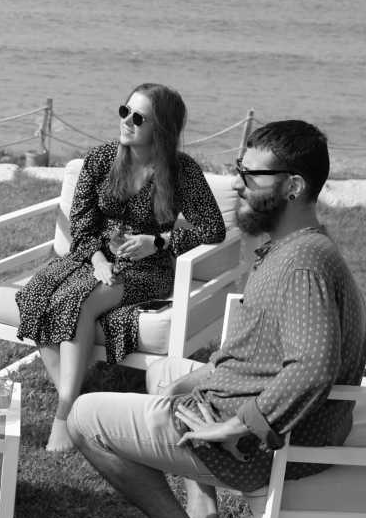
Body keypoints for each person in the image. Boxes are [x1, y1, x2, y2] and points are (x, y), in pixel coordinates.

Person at [65, 120, 366, 518]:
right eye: (238, 169)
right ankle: (204, 517)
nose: (238, 184)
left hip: (258, 444)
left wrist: (243, 426)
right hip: (252, 407)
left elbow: (314, 365)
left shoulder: (302, 264)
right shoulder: (298, 248)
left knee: (83, 418)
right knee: (166, 374)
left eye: (251, 175)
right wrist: (208, 375)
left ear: (293, 187)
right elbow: (276, 354)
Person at [16, 83, 226, 453]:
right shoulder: (101, 158)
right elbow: (82, 223)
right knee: (35, 295)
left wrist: (158, 241)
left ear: (161, 128)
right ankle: (80, 407)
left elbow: (213, 228)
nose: (127, 121)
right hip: (91, 256)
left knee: (73, 300)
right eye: (124, 111)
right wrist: (97, 260)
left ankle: (64, 416)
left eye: (138, 117)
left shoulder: (181, 170)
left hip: (148, 268)